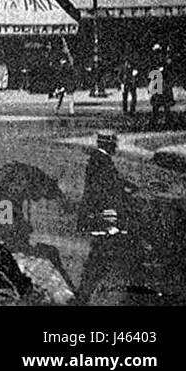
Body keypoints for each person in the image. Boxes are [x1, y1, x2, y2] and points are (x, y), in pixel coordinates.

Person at [75, 130, 135, 305]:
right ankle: (86, 295)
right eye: (114, 143)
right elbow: (104, 189)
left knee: (100, 255)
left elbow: (110, 182)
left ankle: (85, 293)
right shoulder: (101, 161)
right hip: (103, 215)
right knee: (100, 256)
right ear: (107, 143)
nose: (116, 146)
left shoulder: (100, 159)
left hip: (100, 214)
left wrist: (125, 185)